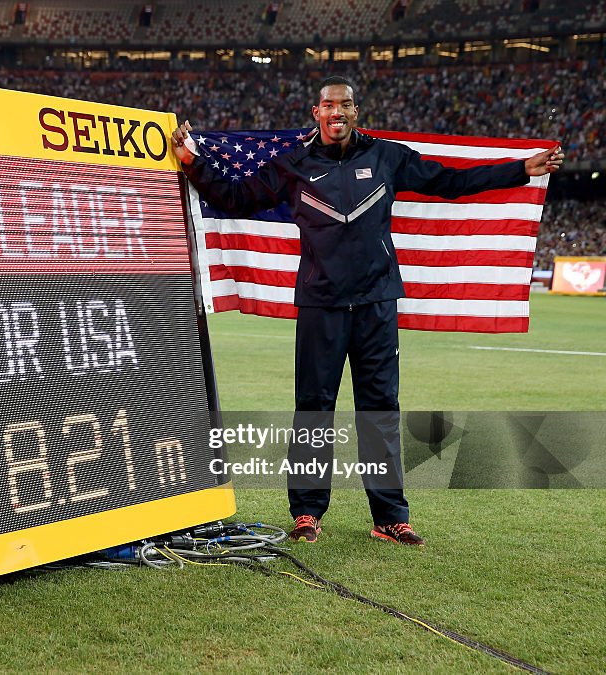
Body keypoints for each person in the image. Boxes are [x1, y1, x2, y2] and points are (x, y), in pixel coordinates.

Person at [173, 76, 564, 546]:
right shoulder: (293, 164)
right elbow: (235, 198)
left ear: (356, 111)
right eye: (328, 105)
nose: (337, 112)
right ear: (315, 112)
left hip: (377, 303)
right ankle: (307, 512)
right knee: (314, 409)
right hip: (321, 304)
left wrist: (522, 168)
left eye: (346, 104)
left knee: (379, 410)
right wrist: (194, 163)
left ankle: (389, 516)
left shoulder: (386, 156)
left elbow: (451, 182)